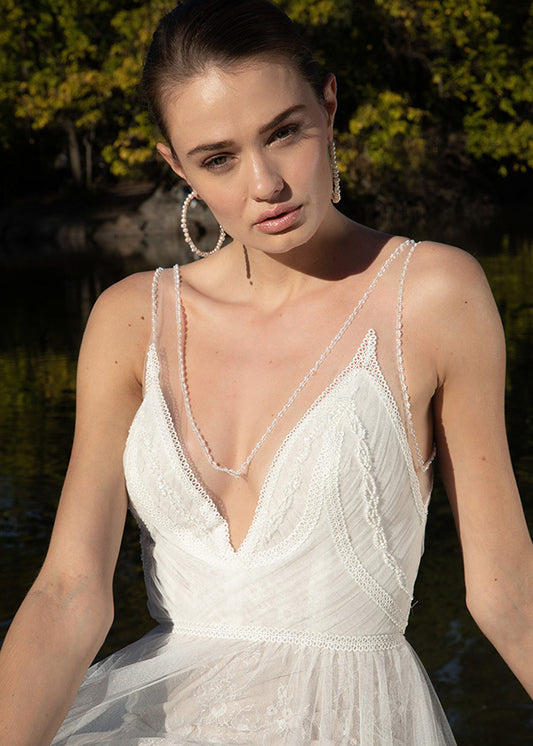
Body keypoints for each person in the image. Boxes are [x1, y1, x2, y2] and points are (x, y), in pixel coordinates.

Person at [1, 0, 532, 743]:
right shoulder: (132, 320)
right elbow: (68, 592)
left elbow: (506, 590)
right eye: (217, 157)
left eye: (283, 133)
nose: (265, 183)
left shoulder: (433, 295)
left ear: (328, 105)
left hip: (357, 722)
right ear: (176, 166)